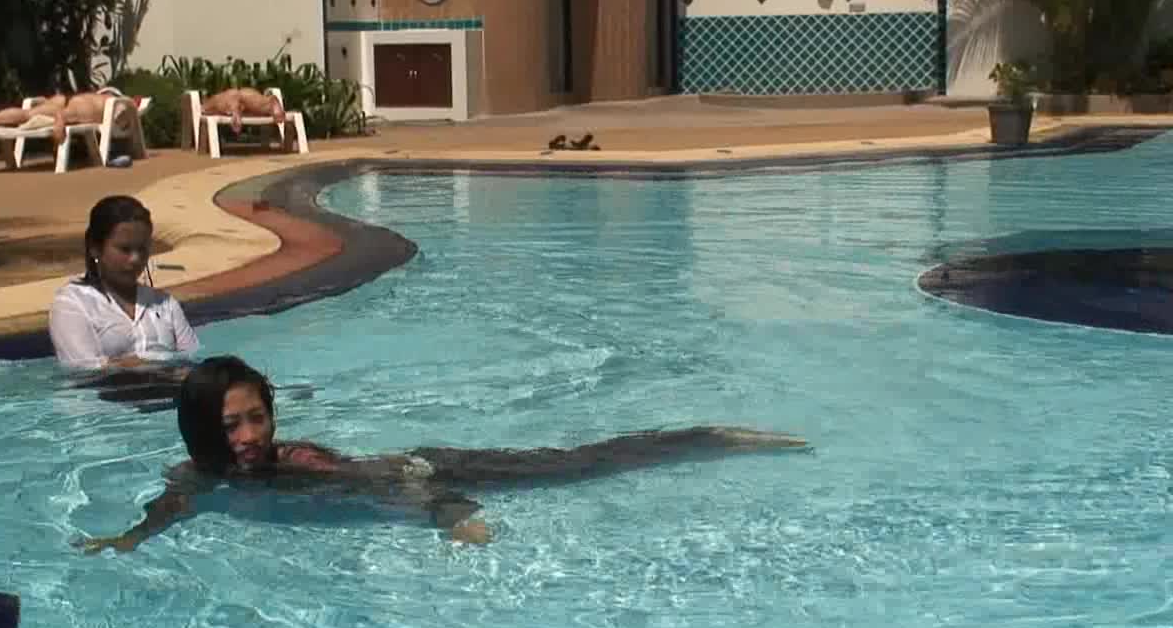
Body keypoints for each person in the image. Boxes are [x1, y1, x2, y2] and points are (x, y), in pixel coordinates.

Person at [76, 356, 812, 553]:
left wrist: (451, 515)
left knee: (580, 464)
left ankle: (709, 438)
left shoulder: (297, 465)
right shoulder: (200, 472)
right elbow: (177, 500)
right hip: (415, 473)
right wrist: (131, 538)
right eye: (231, 425)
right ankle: (706, 437)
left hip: (434, 472)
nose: (249, 436)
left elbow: (380, 489)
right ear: (202, 431)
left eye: (257, 418)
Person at [48, 195, 199, 375]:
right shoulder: (73, 304)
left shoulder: (165, 304)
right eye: (125, 249)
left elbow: (194, 359)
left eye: (142, 249)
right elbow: (82, 370)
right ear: (95, 248)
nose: (135, 259)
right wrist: (150, 368)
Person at [0, 89, 140, 146]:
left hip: (66, 98)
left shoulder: (98, 94)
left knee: (27, 114)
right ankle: (61, 118)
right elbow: (122, 118)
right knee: (78, 113)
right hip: (81, 106)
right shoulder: (119, 102)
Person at [200, 87, 285, 134]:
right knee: (248, 103)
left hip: (240, 98)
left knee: (244, 98)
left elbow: (233, 95)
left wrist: (235, 113)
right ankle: (269, 103)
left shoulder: (216, 100)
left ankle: (270, 102)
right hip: (239, 103)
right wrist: (236, 113)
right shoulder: (213, 103)